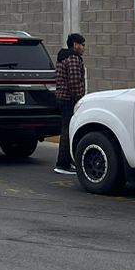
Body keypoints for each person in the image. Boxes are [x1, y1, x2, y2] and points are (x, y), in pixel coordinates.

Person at [54, 32, 86, 175]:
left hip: (62, 98)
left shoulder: (63, 57)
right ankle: (63, 164)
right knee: (68, 132)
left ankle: (65, 162)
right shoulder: (73, 58)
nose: (84, 48)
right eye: (82, 44)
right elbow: (74, 82)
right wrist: (79, 100)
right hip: (69, 100)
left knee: (66, 130)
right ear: (75, 45)